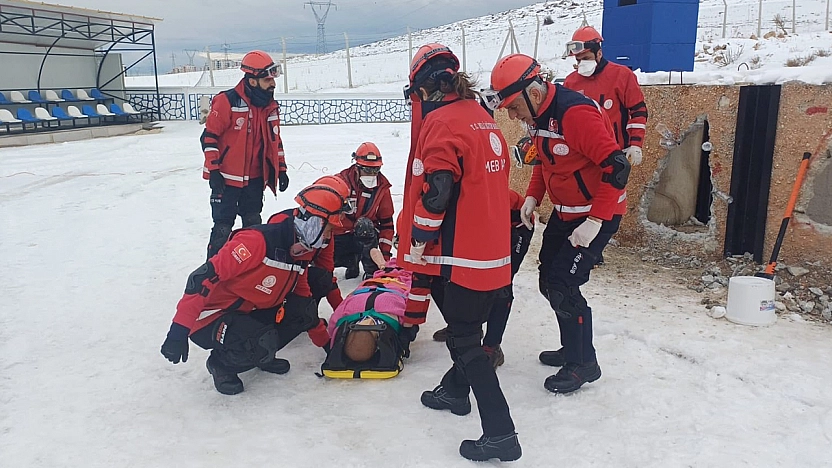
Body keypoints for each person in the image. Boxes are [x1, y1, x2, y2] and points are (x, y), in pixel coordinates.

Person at [399, 43, 521, 462]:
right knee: (463, 330)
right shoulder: (484, 121)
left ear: (425, 89)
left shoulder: (442, 123)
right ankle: (453, 391)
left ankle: (501, 434)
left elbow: (438, 194)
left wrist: (418, 236)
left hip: (459, 255)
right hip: (491, 252)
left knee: (466, 342)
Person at [486, 53, 630, 394]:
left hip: (594, 215)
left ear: (533, 93)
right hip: (565, 213)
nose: (510, 114)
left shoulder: (575, 115)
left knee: (564, 285)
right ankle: (573, 346)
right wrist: (534, 197)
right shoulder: (539, 117)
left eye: (512, 106)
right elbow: (546, 163)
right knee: (548, 281)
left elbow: (617, 167)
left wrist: (596, 220)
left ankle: (584, 363)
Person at [160, 176, 351, 395]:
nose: (329, 236)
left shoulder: (301, 249)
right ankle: (221, 365)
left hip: (251, 309)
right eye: (328, 229)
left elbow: (303, 298)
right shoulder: (256, 242)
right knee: (258, 342)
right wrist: (178, 331)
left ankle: (262, 354)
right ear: (314, 221)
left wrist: (328, 347)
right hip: (213, 316)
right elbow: (200, 280)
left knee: (300, 314)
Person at [200, 50, 291, 260]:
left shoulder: (270, 107)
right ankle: (212, 272)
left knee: (253, 225)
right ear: (252, 81)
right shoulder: (226, 101)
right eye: (267, 79)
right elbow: (209, 138)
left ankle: (248, 268)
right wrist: (214, 172)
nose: (273, 84)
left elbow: (275, 141)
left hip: (255, 180)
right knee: (222, 229)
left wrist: (282, 169)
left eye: (273, 79)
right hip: (226, 181)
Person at [431, 189, 535, 368]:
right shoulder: (436, 201)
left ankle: (492, 346)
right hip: (480, 228)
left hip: (516, 225)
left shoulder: (478, 193)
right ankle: (467, 327)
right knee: (445, 279)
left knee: (501, 284)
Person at [320, 256, 419, 379]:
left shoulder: (345, 315)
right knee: (410, 269)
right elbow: (412, 312)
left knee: (392, 264)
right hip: (398, 285)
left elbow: (334, 325)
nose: (367, 320)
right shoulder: (392, 314)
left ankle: (394, 266)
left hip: (371, 285)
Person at [563, 26, 648, 166]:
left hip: (615, 154)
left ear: (599, 54)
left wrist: (635, 144)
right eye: (578, 60)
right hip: (582, 156)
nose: (582, 63)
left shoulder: (622, 75)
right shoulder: (570, 82)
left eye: (586, 58)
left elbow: (638, 111)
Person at [333, 142, 395, 280]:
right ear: (357, 167)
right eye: (367, 170)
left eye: (375, 170)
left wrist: (383, 257)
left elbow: (387, 224)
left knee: (365, 224)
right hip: (340, 235)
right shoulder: (340, 182)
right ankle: (350, 262)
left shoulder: (382, 188)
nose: (372, 174)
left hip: (366, 238)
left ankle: (371, 271)